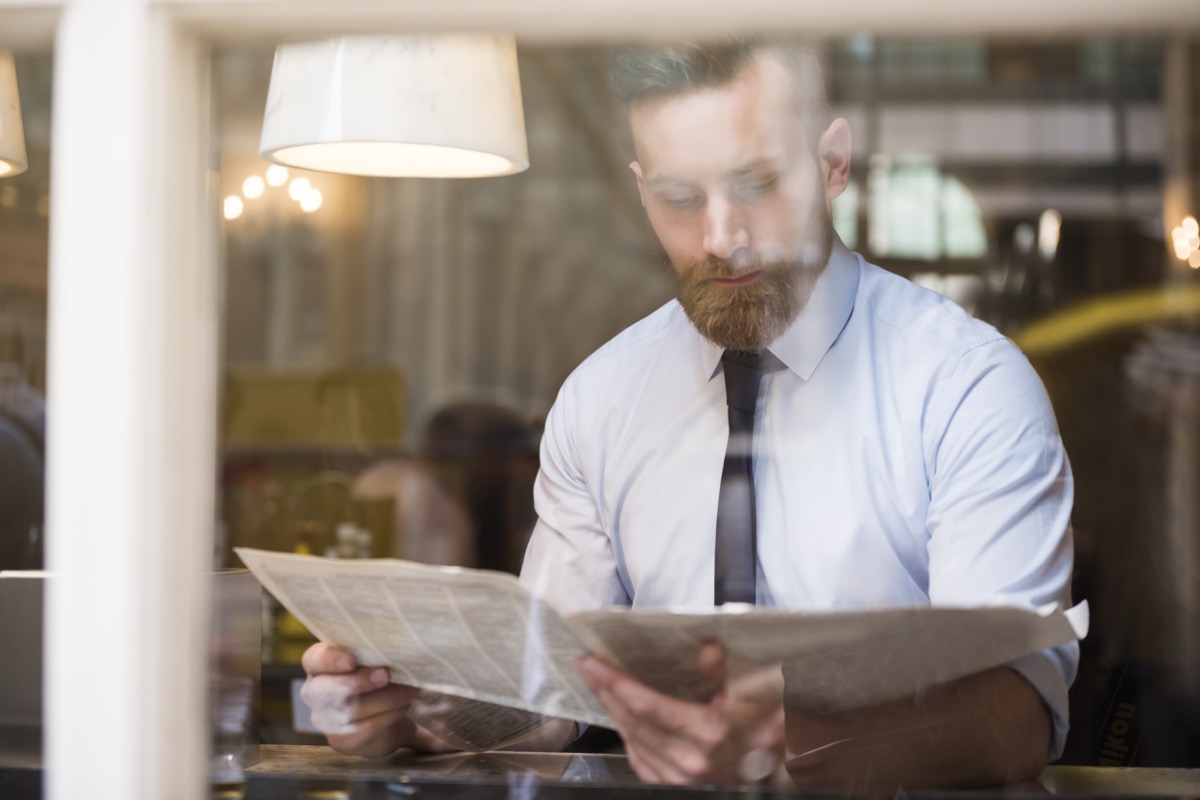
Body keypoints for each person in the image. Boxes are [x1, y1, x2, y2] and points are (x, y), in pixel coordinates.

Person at [299, 36, 1076, 790]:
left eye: (757, 183)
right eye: (677, 199)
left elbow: (1018, 716)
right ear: (641, 189)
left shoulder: (968, 386)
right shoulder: (602, 400)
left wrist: (783, 748)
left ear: (832, 162)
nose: (720, 238)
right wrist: (413, 714)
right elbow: (550, 700)